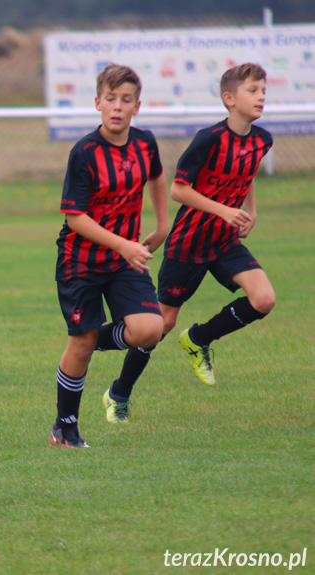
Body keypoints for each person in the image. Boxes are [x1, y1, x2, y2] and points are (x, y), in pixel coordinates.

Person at [50, 64, 169, 448]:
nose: (118, 107)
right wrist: (122, 243)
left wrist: (162, 226)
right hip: (80, 260)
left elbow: (156, 176)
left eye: (127, 99)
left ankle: (86, 339)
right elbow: (75, 217)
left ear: (137, 106)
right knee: (80, 346)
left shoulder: (145, 142)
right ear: (98, 103)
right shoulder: (84, 152)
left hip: (123, 260)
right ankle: (65, 429)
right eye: (111, 99)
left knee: (150, 329)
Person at [156, 63, 275, 386]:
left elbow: (246, 173)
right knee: (161, 323)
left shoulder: (262, 139)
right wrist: (224, 210)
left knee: (264, 299)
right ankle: (119, 390)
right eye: (253, 90)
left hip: (223, 241)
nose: (261, 97)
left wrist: (251, 211)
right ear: (229, 98)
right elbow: (178, 190)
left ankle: (198, 338)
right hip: (189, 240)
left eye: (264, 90)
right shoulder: (208, 138)